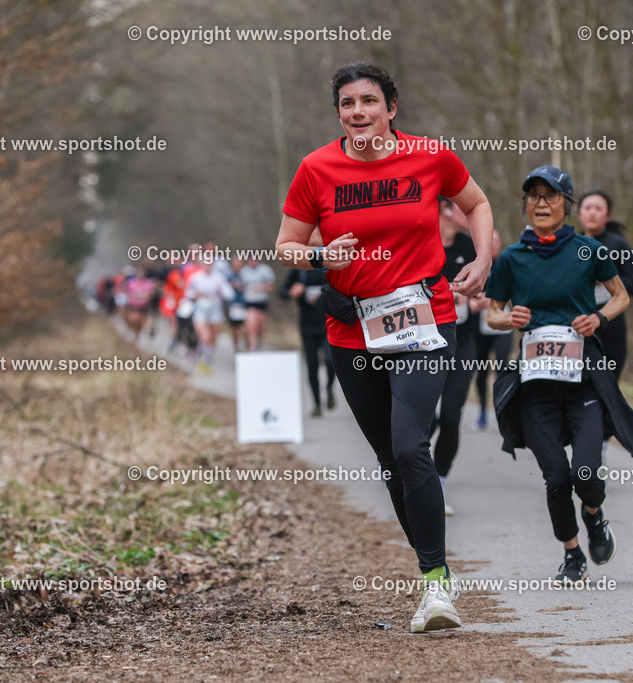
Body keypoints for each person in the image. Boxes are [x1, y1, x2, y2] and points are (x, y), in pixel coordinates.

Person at [275, 61, 493, 632]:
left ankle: (437, 585)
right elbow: (287, 247)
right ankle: (431, 577)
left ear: (390, 108)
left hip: (424, 319)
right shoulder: (316, 169)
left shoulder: (430, 156)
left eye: (368, 101)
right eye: (347, 104)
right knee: (390, 460)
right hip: (352, 329)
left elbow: (476, 204)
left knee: (409, 443)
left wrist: (484, 258)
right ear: (339, 114)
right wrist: (324, 257)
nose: (358, 112)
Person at [487, 165, 633, 587]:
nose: (541, 203)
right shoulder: (511, 259)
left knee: (587, 474)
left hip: (583, 384)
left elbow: (622, 296)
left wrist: (597, 318)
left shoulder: (588, 250)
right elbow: (492, 312)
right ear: (525, 204)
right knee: (556, 477)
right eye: (533, 196)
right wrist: (509, 319)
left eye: (551, 195)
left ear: (566, 204)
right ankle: (572, 554)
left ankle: (594, 516)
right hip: (536, 386)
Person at [430, 197, 478, 514]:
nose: (470, 211)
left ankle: (439, 487)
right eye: (462, 206)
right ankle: (391, 458)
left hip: (463, 342)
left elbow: (485, 288)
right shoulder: (422, 244)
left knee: (450, 416)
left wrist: (480, 301)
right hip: (424, 343)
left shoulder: (470, 246)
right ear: (445, 209)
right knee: (419, 418)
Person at [578, 190, 633, 383]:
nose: (592, 213)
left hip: (610, 325)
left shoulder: (619, 244)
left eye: (598, 208)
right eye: (587, 208)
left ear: (608, 215)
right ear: (579, 213)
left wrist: (607, 278)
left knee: (608, 386)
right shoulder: (571, 244)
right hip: (578, 324)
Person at [280, 233, 336, 417]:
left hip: (327, 322)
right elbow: (282, 292)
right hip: (306, 324)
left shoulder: (329, 264)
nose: (313, 244)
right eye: (309, 241)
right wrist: (292, 292)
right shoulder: (299, 267)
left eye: (317, 240)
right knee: (312, 365)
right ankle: (317, 404)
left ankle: (328, 387)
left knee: (330, 361)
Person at [470, 230, 512, 430]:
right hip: (481, 324)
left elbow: (518, 290)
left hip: (503, 322)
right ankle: (482, 411)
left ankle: (502, 409)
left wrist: (497, 299)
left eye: (496, 241)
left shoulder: (508, 262)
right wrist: (475, 300)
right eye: (489, 240)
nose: (492, 244)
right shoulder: (476, 263)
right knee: (481, 369)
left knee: (503, 366)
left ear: (500, 243)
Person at [184, 260, 235, 372]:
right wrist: (195, 295)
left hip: (215, 310)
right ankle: (202, 358)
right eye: (205, 263)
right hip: (200, 310)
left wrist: (221, 291)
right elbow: (187, 293)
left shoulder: (219, 278)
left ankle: (208, 360)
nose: (207, 266)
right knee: (204, 336)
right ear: (201, 264)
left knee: (212, 338)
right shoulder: (195, 278)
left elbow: (230, 294)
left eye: (209, 264)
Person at [238, 257, 276, 351]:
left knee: (260, 328)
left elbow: (272, 286)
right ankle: (252, 347)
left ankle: (257, 344)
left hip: (262, 302)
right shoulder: (244, 271)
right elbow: (241, 286)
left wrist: (261, 288)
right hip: (249, 302)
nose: (253, 262)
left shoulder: (265, 270)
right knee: (251, 326)